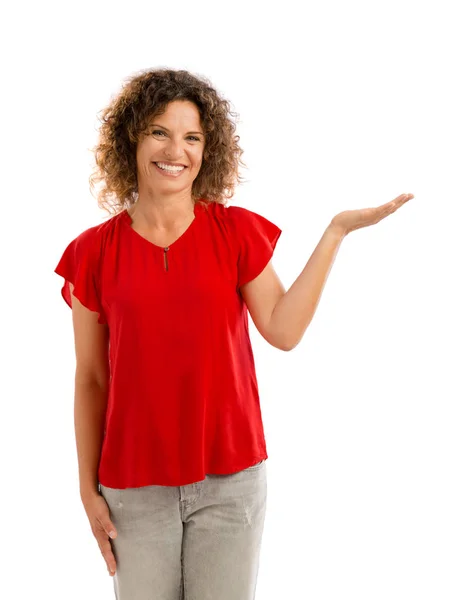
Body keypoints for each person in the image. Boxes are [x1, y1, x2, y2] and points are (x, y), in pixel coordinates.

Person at [54, 67, 413, 600]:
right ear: (131, 138)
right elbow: (90, 380)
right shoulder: (93, 253)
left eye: (192, 137)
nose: (176, 149)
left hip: (230, 484)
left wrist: (335, 232)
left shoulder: (234, 232)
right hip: (133, 488)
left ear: (207, 149)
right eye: (160, 131)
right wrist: (87, 491)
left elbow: (284, 330)